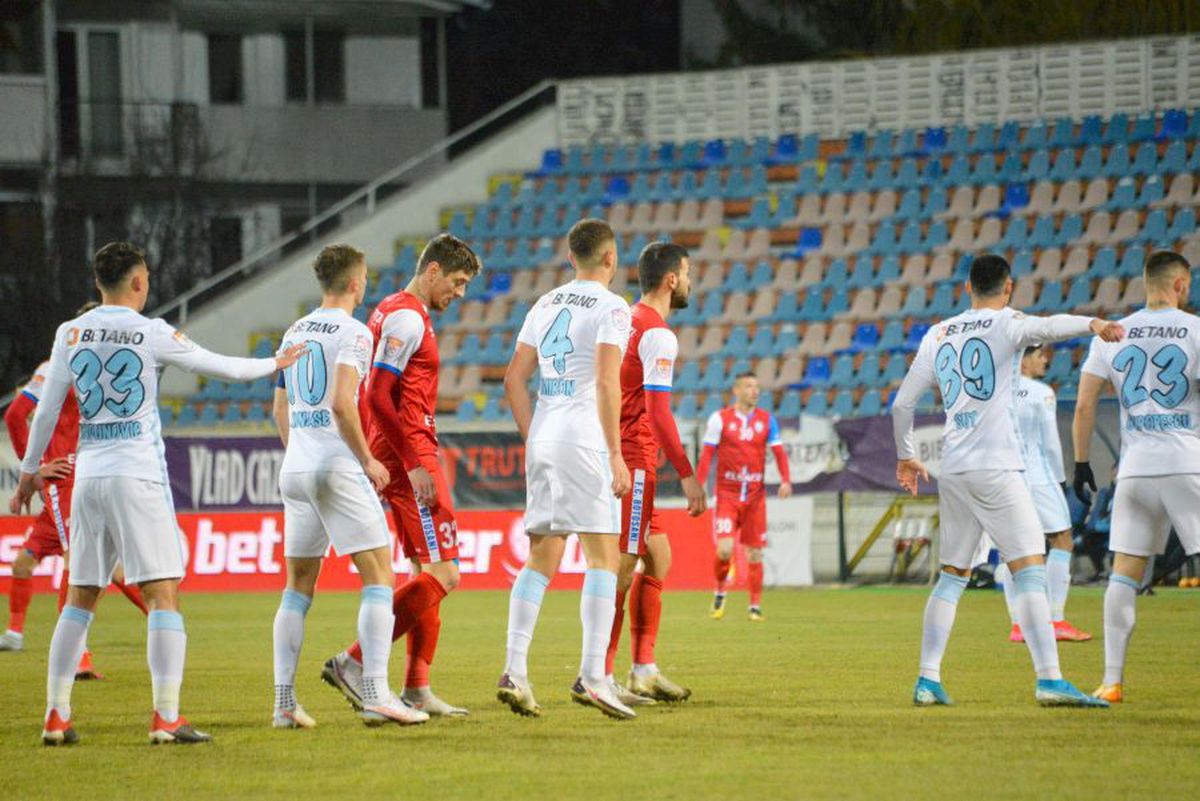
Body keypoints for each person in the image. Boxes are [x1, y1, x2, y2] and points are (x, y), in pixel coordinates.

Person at [9, 241, 305, 746]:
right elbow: (222, 368)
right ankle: (166, 717)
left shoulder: (70, 333)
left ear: (97, 283)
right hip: (136, 475)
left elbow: (43, 410)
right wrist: (275, 362)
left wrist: (29, 473)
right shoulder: (151, 332)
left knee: (80, 596)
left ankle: (55, 716)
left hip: (88, 477)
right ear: (139, 282)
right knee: (163, 593)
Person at [891, 252, 1120, 708]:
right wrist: (1093, 323)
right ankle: (1050, 680)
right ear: (1009, 288)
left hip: (953, 467)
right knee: (1030, 567)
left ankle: (927, 679)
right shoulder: (1006, 323)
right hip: (996, 465)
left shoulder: (939, 333)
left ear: (967, 289)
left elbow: (902, 404)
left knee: (953, 574)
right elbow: (1049, 326)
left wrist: (907, 457)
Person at [321, 234, 480, 718]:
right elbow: (377, 397)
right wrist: (412, 462)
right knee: (445, 573)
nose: (460, 293)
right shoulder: (409, 317)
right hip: (408, 454)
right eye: (456, 282)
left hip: (400, 450)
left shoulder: (393, 309)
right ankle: (354, 661)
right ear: (432, 270)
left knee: (421, 570)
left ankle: (416, 687)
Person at [271, 244, 426, 729]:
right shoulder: (354, 332)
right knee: (380, 574)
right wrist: (368, 459)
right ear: (357, 282)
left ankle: (283, 704)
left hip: (294, 466)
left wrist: (302, 454)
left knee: (297, 587)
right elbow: (342, 402)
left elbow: (278, 409)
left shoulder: (294, 330)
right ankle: (378, 692)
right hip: (334, 465)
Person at [496, 218, 635, 719]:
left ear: (571, 258)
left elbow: (514, 380)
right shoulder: (614, 307)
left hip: (545, 435)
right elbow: (604, 381)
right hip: (584, 439)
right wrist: (615, 453)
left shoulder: (546, 302)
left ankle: (514, 669)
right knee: (604, 557)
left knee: (541, 557)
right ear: (610, 259)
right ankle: (595, 677)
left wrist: (535, 438)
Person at [1072, 250, 1200, 704]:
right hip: (1187, 463)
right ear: (1181, 284)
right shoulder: (1195, 329)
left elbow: (1086, 404)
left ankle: (1111, 681)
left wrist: (1082, 462)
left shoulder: (1111, 333)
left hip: (1135, 470)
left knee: (1124, 574)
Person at [3, 306, 151, 674]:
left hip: (87, 475)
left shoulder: (95, 370)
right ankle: (75, 657)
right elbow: (14, 415)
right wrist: (34, 469)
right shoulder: (57, 364)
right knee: (81, 563)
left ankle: (161, 618)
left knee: (96, 564)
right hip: (65, 478)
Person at [604, 242, 705, 706]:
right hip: (636, 457)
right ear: (670, 280)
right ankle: (597, 673)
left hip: (615, 450)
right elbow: (658, 413)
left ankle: (642, 669)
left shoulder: (621, 318)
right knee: (622, 567)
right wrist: (687, 473)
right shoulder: (658, 332)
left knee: (656, 556)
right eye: (686, 274)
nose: (688, 281)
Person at [993, 345, 1091, 643]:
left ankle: (1017, 625)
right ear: (1022, 361)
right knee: (1061, 539)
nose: (1045, 359)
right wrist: (1062, 481)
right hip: (1038, 477)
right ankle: (1055, 618)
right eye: (1038, 355)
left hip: (1004, 478)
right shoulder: (1041, 393)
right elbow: (1050, 444)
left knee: (1012, 549)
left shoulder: (992, 393)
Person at [696, 373, 792, 621]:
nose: (755, 391)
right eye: (749, 386)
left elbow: (779, 452)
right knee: (725, 550)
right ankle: (719, 591)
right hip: (727, 494)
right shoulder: (720, 419)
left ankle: (754, 606)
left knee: (755, 553)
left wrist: (785, 480)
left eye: (757, 387)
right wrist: (698, 485)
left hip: (755, 497)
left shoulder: (767, 420)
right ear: (736, 390)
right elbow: (707, 455)